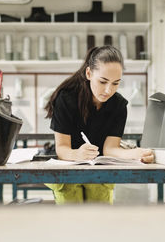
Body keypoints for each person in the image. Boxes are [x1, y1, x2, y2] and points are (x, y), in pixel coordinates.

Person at [44, 45, 154, 204]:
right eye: (103, 81)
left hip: (99, 172)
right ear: (88, 73)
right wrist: (77, 154)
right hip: (68, 169)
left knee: (100, 221)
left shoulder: (118, 105)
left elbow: (110, 149)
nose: (109, 90)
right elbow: (62, 149)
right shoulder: (66, 98)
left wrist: (137, 154)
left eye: (116, 83)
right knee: (71, 220)